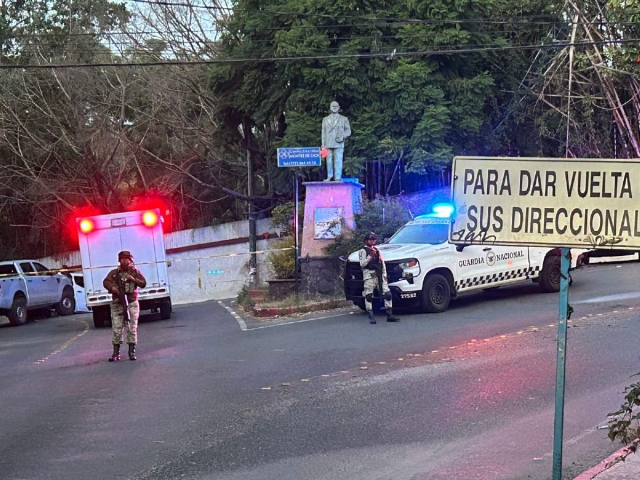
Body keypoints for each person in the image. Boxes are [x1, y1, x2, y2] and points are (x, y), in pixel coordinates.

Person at [103, 251, 147, 361]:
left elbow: (143, 283)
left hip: (131, 303)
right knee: (117, 328)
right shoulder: (114, 273)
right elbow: (106, 282)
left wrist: (133, 279)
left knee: (132, 328)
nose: (124, 260)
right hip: (118, 304)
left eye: (126, 258)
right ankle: (115, 353)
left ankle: (132, 351)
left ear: (130, 260)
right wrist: (112, 287)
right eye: (122, 258)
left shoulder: (135, 272)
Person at [357, 232, 400, 324]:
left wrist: (384, 275)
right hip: (369, 276)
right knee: (368, 295)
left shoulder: (377, 250)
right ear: (366, 241)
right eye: (370, 240)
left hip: (380, 275)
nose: (372, 241)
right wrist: (370, 256)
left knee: (387, 294)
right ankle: (371, 315)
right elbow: (362, 264)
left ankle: (389, 314)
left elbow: (382, 263)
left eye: (373, 239)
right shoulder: (363, 251)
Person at [321, 101, 351, 181]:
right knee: (329, 161)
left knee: (338, 160)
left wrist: (342, 137)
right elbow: (323, 133)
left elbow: (348, 131)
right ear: (330, 108)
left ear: (338, 107)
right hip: (328, 143)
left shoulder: (344, 119)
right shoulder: (325, 119)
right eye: (332, 106)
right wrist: (323, 144)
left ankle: (337, 177)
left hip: (339, 143)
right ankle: (329, 176)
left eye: (336, 106)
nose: (334, 107)